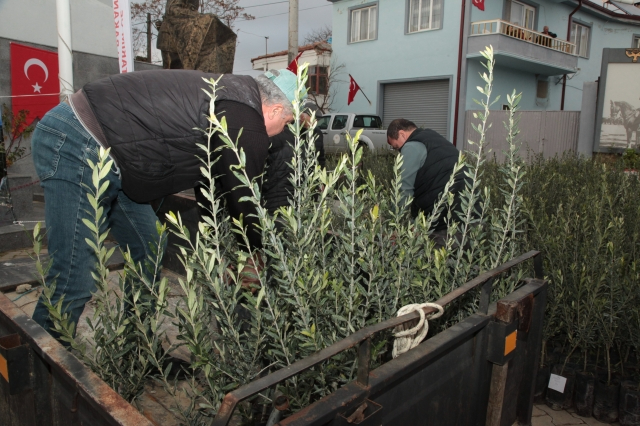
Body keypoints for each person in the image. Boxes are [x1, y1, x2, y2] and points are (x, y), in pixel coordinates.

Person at [30, 68, 299, 337]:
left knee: (149, 246)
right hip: (80, 142)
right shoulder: (244, 116)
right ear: (275, 110)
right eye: (286, 122)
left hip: (115, 158)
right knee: (74, 277)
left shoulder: (233, 97)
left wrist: (215, 241)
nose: (281, 131)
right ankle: (38, 372)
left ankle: (137, 351)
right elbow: (243, 194)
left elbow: (209, 183)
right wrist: (253, 253)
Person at [386, 118, 473, 232]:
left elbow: (403, 189)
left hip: (445, 223)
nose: (399, 152)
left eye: (397, 147)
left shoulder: (411, 146)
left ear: (402, 134)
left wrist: (395, 225)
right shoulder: (434, 138)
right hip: (471, 214)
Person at [262, 101, 325, 214]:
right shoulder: (283, 132)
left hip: (307, 191)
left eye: (317, 120)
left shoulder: (317, 134)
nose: (315, 122)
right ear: (301, 116)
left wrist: (322, 180)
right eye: (312, 118)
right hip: (281, 194)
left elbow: (320, 160)